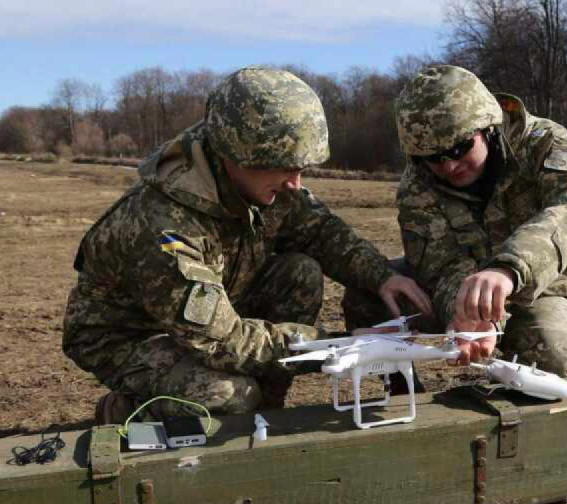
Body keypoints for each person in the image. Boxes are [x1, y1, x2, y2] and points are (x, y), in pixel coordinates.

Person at [63, 66, 431, 424]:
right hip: (129, 336)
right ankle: (126, 410)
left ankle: (266, 411)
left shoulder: (263, 179)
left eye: (301, 167)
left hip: (211, 310)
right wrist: (338, 344)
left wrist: (382, 276)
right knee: (227, 396)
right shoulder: (165, 227)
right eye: (286, 167)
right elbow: (223, 341)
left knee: (299, 272)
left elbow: (321, 231)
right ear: (236, 155)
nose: (295, 182)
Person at [343, 65, 567, 377]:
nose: (450, 165)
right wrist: (464, 309)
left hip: (535, 285)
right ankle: (403, 397)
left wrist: (509, 269)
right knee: (369, 296)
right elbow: (437, 265)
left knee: (552, 352)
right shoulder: (417, 183)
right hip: (458, 287)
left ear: (488, 127)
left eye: (459, 148)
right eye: (433, 158)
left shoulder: (542, 144)